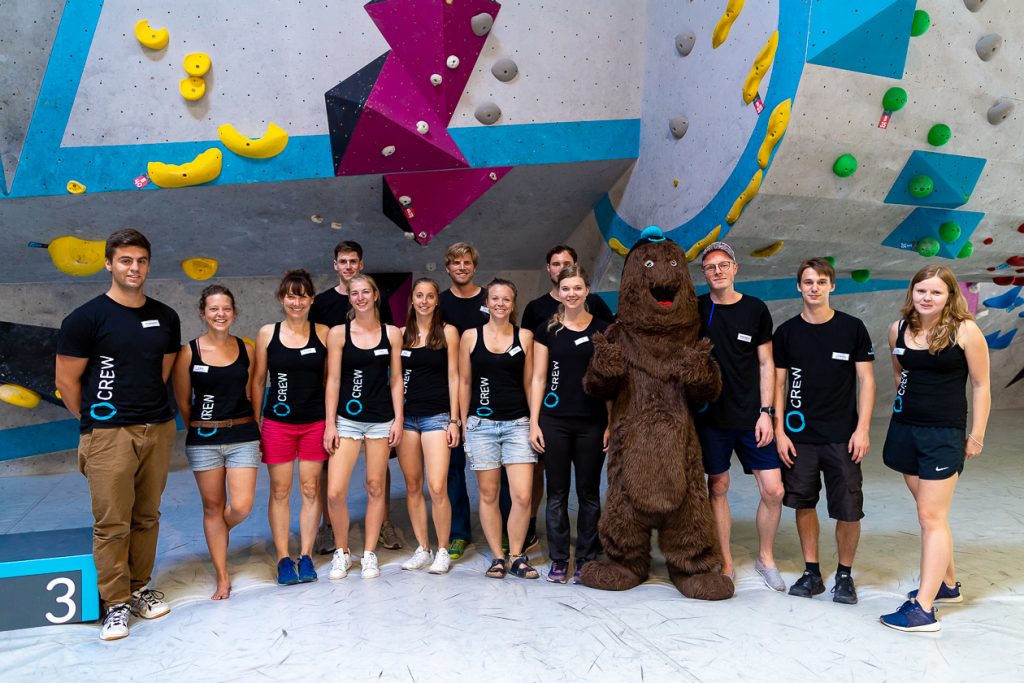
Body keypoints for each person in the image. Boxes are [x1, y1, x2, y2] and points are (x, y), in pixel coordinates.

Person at [55, 228, 180, 641]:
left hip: (157, 429)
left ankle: (139, 588)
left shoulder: (166, 317)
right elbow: (67, 381)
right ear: (109, 264)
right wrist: (95, 423)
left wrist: (146, 414)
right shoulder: (85, 319)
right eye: (125, 260)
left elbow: (160, 373)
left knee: (146, 516)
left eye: (141, 260)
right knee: (112, 524)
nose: (134, 268)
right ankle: (115, 603)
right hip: (108, 434)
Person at [879, 266, 990, 633]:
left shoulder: (965, 330)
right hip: (905, 430)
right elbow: (900, 372)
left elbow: (981, 385)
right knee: (930, 515)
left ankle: (923, 610)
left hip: (943, 434)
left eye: (936, 292)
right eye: (921, 290)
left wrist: (976, 435)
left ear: (950, 296)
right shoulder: (898, 329)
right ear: (912, 292)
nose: (927, 297)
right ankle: (947, 586)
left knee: (930, 517)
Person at [773, 258, 875, 605]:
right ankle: (812, 572)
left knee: (848, 509)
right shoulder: (786, 332)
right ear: (798, 287)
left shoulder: (852, 328)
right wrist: (780, 431)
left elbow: (867, 380)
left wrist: (862, 430)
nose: (814, 287)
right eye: (807, 282)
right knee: (804, 503)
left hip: (842, 437)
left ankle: (844, 575)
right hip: (799, 438)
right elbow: (779, 382)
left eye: (820, 281)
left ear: (832, 286)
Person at [694, 242, 786, 590]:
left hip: (751, 417)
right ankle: (727, 562)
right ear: (704, 274)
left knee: (774, 490)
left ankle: (766, 558)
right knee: (718, 487)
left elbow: (766, 363)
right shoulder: (698, 309)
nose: (717, 271)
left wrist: (766, 413)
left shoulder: (755, 309)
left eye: (723, 265)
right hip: (711, 418)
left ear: (735, 269)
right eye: (710, 267)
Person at [309, 241, 401, 554]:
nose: (348, 267)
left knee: (377, 480)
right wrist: (329, 419)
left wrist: (397, 419)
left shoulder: (388, 327)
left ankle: (381, 529)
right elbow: (328, 369)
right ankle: (332, 531)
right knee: (332, 484)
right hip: (342, 409)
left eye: (353, 262)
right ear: (335, 265)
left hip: (378, 414)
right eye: (343, 262)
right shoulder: (324, 308)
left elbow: (394, 373)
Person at [519, 245, 614, 550]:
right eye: (565, 289)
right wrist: (534, 422)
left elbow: (610, 382)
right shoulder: (547, 330)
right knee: (556, 493)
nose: (571, 293)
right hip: (554, 422)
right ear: (558, 293)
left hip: (592, 422)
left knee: (588, 493)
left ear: (588, 291)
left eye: (577, 288)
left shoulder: (603, 331)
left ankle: (586, 556)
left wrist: (611, 423)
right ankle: (559, 558)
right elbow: (538, 378)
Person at [172, 285, 260, 600]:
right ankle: (222, 576)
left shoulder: (247, 349)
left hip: (242, 434)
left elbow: (250, 393)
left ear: (234, 312)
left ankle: (217, 533)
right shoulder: (188, 352)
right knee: (212, 507)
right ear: (203, 313)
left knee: (241, 505)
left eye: (226, 308)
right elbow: (183, 402)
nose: (220, 314)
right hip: (204, 439)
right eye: (213, 309)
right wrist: (201, 426)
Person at [323, 274, 404, 580]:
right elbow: (332, 381)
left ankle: (369, 553)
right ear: (350, 298)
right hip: (347, 421)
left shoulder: (392, 333)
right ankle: (342, 552)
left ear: (374, 295)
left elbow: (396, 380)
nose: (359, 297)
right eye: (354, 293)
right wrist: (330, 424)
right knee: (334, 492)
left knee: (375, 487)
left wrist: (398, 419)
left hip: (381, 421)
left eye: (365, 292)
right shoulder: (338, 334)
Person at [252, 270, 330, 586]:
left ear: (311, 298)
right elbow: (258, 381)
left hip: (314, 424)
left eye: (302, 295)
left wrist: (330, 423)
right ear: (282, 298)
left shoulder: (324, 332)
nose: (295, 301)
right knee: (280, 491)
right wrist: (255, 424)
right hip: (277, 424)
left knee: (311, 489)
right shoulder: (266, 333)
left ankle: (307, 555)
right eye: (290, 295)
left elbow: (330, 381)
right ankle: (284, 558)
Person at [459, 278, 538, 579]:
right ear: (487, 302)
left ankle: (517, 556)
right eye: (495, 298)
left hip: (518, 424)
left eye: (506, 299)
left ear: (513, 303)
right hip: (481, 425)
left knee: (522, 496)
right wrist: (463, 421)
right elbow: (464, 381)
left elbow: (530, 383)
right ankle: (496, 557)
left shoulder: (526, 337)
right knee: (488, 495)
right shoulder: (470, 336)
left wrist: (534, 422)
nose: (500, 304)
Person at [439, 242, 511, 561]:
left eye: (467, 262)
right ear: (447, 268)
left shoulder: (491, 299)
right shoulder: (440, 304)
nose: (462, 267)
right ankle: (459, 532)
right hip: (452, 390)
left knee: (502, 466)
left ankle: (507, 530)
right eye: (456, 263)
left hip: (495, 392)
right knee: (453, 467)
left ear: (475, 266)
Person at [396, 278, 461, 575]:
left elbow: (454, 377)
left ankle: (443, 550)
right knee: (412, 486)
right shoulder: (400, 335)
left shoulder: (448, 332)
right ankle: (423, 548)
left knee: (437, 486)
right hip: (407, 419)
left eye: (430, 296)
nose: (423, 300)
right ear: (412, 300)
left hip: (437, 417)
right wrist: (395, 419)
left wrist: (454, 420)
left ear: (437, 300)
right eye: (418, 295)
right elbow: (395, 381)